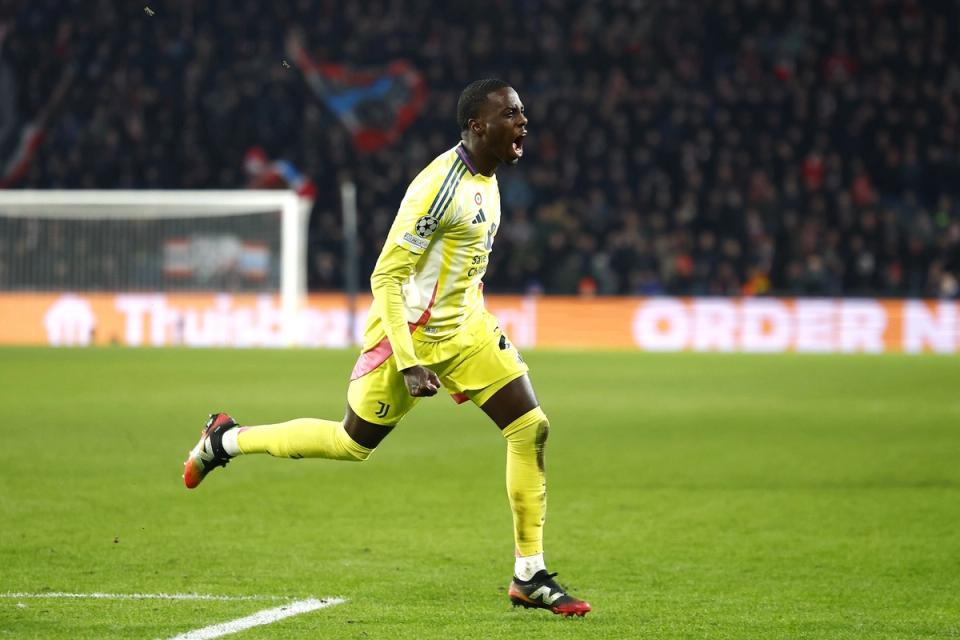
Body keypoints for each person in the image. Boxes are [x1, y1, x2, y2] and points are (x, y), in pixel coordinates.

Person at [181, 79, 591, 617]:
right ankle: (227, 439)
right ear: (478, 126)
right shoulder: (437, 188)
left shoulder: (487, 180)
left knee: (530, 427)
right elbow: (387, 278)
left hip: (466, 330)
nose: (523, 123)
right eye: (512, 114)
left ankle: (529, 574)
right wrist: (410, 360)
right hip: (409, 336)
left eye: (522, 113)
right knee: (353, 443)